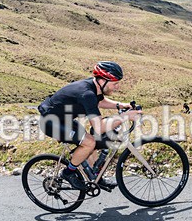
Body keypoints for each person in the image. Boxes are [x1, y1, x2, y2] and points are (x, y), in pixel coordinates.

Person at [38, 62, 141, 190]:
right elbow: (99, 127)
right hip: (50, 123)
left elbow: (100, 101)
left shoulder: (94, 86)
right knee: (89, 143)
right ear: (103, 80)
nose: (117, 87)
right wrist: (125, 117)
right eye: (115, 84)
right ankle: (68, 173)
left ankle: (96, 178)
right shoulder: (86, 93)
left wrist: (120, 105)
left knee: (92, 143)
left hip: (65, 120)